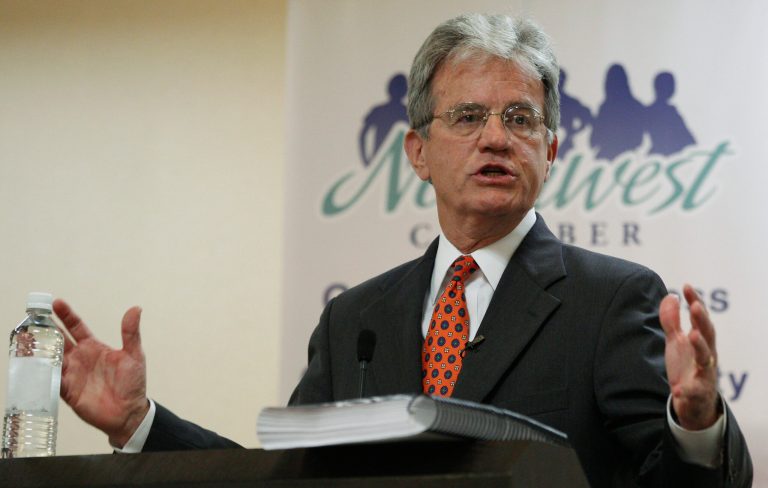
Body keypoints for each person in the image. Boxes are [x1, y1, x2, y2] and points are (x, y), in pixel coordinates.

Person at [53, 13, 752, 488]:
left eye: (520, 118)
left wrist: (695, 423)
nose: (496, 138)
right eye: (468, 117)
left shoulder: (612, 299)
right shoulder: (355, 317)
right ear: (417, 151)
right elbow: (282, 482)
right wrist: (140, 424)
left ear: (554, 149)